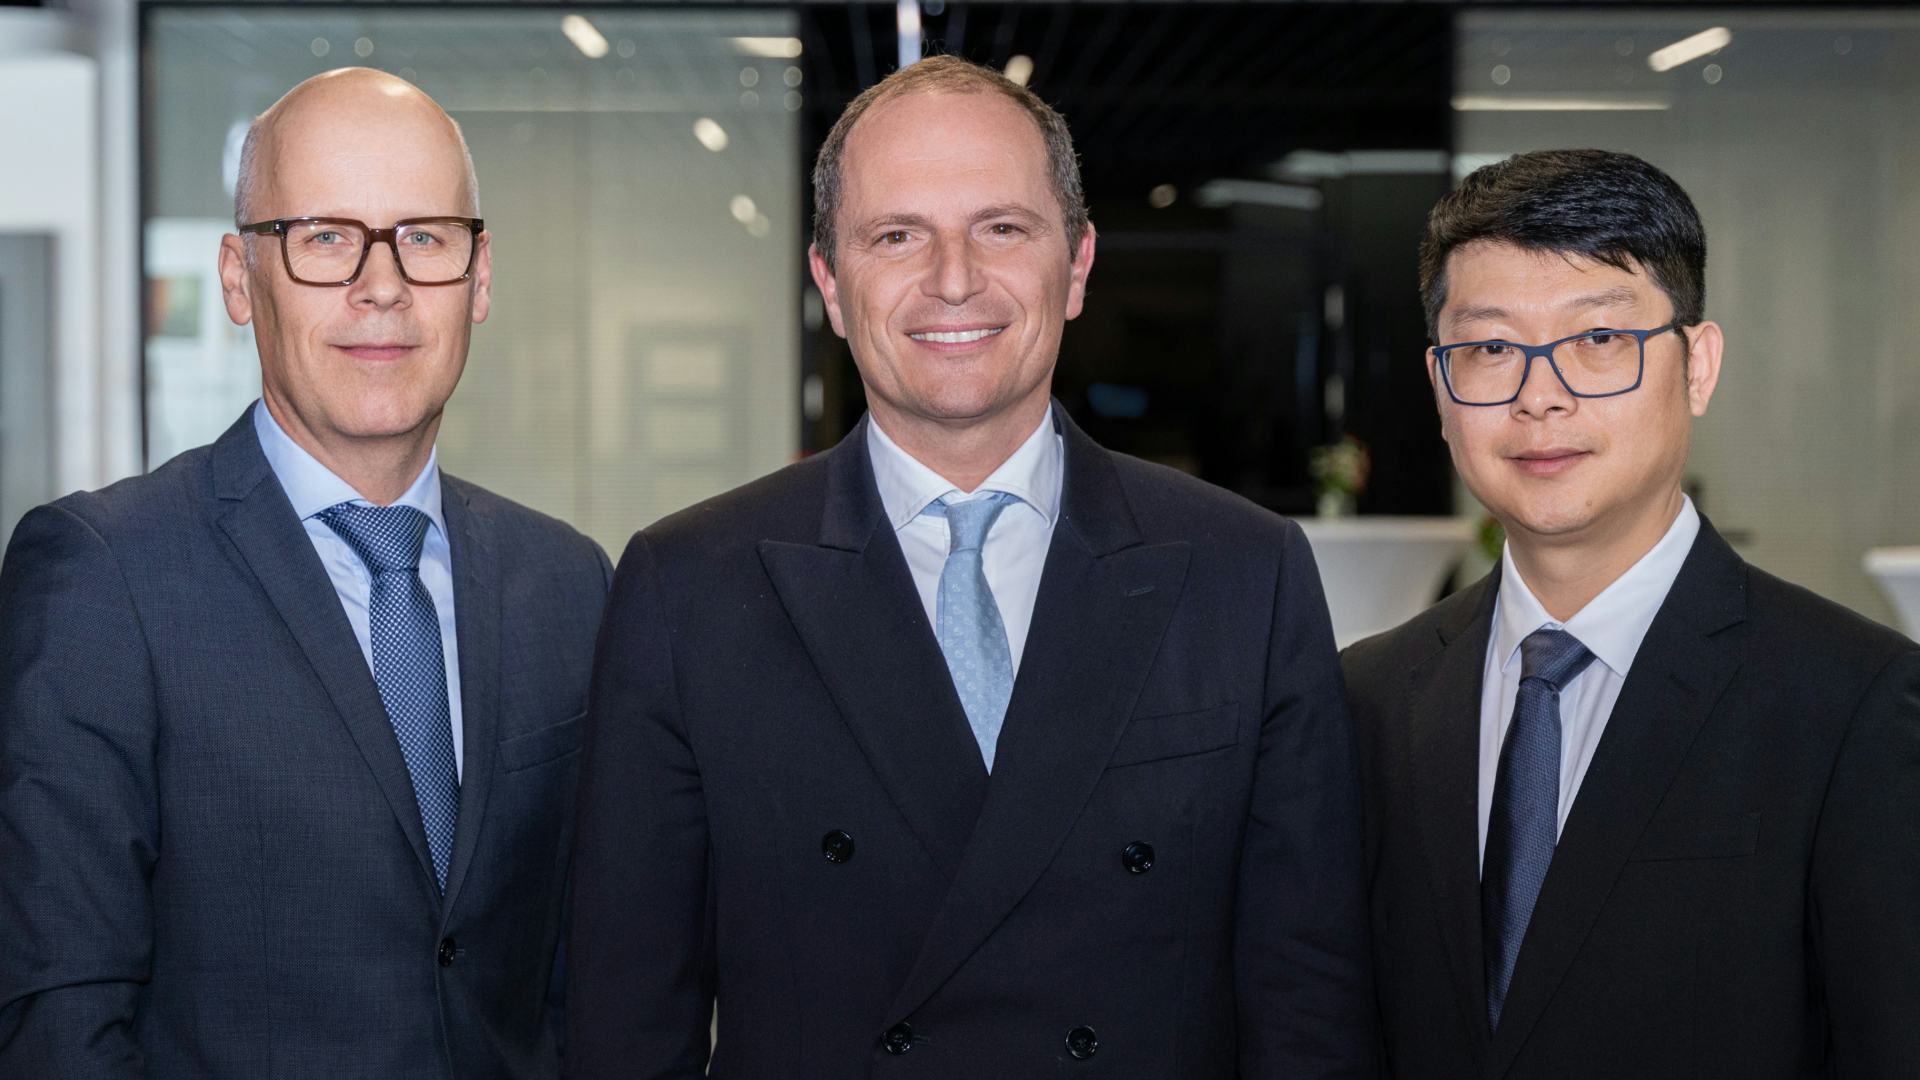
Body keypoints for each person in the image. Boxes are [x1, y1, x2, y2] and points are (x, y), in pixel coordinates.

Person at [568, 55, 1374, 1078]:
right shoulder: (687, 586)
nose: (954, 278)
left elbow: (1309, 1006)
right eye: (896, 235)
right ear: (830, 283)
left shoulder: (1244, 574)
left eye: (1001, 228)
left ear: (1077, 266)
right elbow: (630, 1024)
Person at [0, 68, 609, 1079]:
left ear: (480, 277)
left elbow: (591, 987)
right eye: (325, 237)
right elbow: (60, 1022)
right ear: (240, 279)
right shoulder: (103, 577)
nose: (384, 285)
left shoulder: (568, 583)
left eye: (425, 237)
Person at [1344, 148, 1920, 1079]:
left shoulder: (1854, 702)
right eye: (1490, 349)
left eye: (1600, 339)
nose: (1539, 396)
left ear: (1698, 366)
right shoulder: (1367, 696)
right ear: (1440, 387)